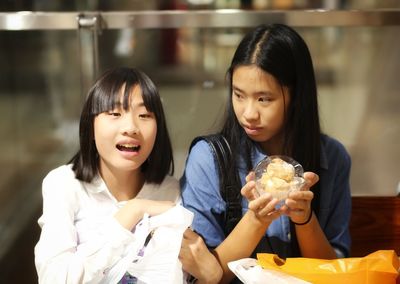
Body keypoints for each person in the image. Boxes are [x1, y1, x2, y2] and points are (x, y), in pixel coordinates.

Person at [181, 23, 351, 282]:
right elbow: (203, 276)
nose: (249, 113)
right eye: (239, 95)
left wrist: (304, 218)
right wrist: (256, 220)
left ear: (296, 96)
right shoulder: (209, 158)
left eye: (264, 99)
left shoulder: (332, 158)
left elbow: (334, 275)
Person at [34, 67, 222, 283]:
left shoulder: (170, 191)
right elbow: (54, 279)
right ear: (91, 125)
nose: (131, 127)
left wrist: (211, 275)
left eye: (144, 115)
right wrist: (133, 211)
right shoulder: (64, 184)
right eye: (114, 114)